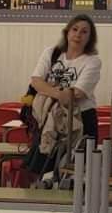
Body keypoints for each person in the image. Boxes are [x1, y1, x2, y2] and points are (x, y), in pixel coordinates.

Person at [27, 13, 102, 181]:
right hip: (49, 120)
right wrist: (59, 93)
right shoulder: (51, 53)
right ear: (67, 32)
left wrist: (49, 89)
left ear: (90, 37)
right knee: (45, 173)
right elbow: (35, 81)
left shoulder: (92, 61)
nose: (78, 34)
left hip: (81, 119)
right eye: (74, 29)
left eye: (84, 32)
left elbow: (77, 94)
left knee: (76, 174)